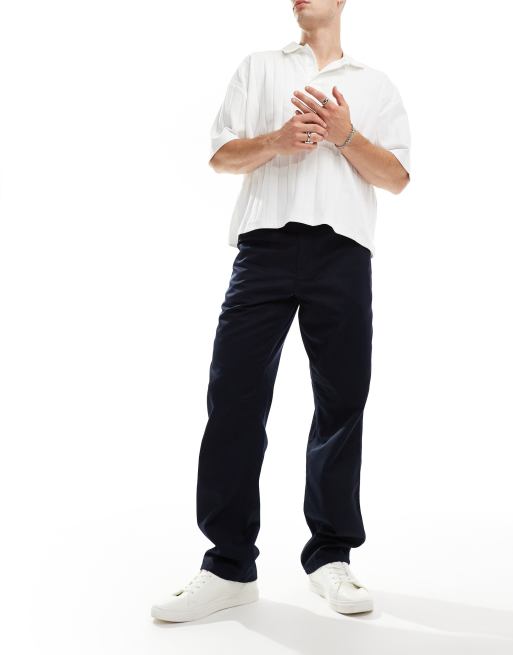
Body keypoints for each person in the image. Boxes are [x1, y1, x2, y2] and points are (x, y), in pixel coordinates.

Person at [151, 0, 411, 623]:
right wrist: (278, 140)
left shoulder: (374, 84)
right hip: (263, 248)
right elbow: (222, 156)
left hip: (342, 252)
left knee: (342, 403)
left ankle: (330, 557)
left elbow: (398, 177)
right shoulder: (259, 67)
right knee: (234, 399)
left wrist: (345, 136)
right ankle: (229, 567)